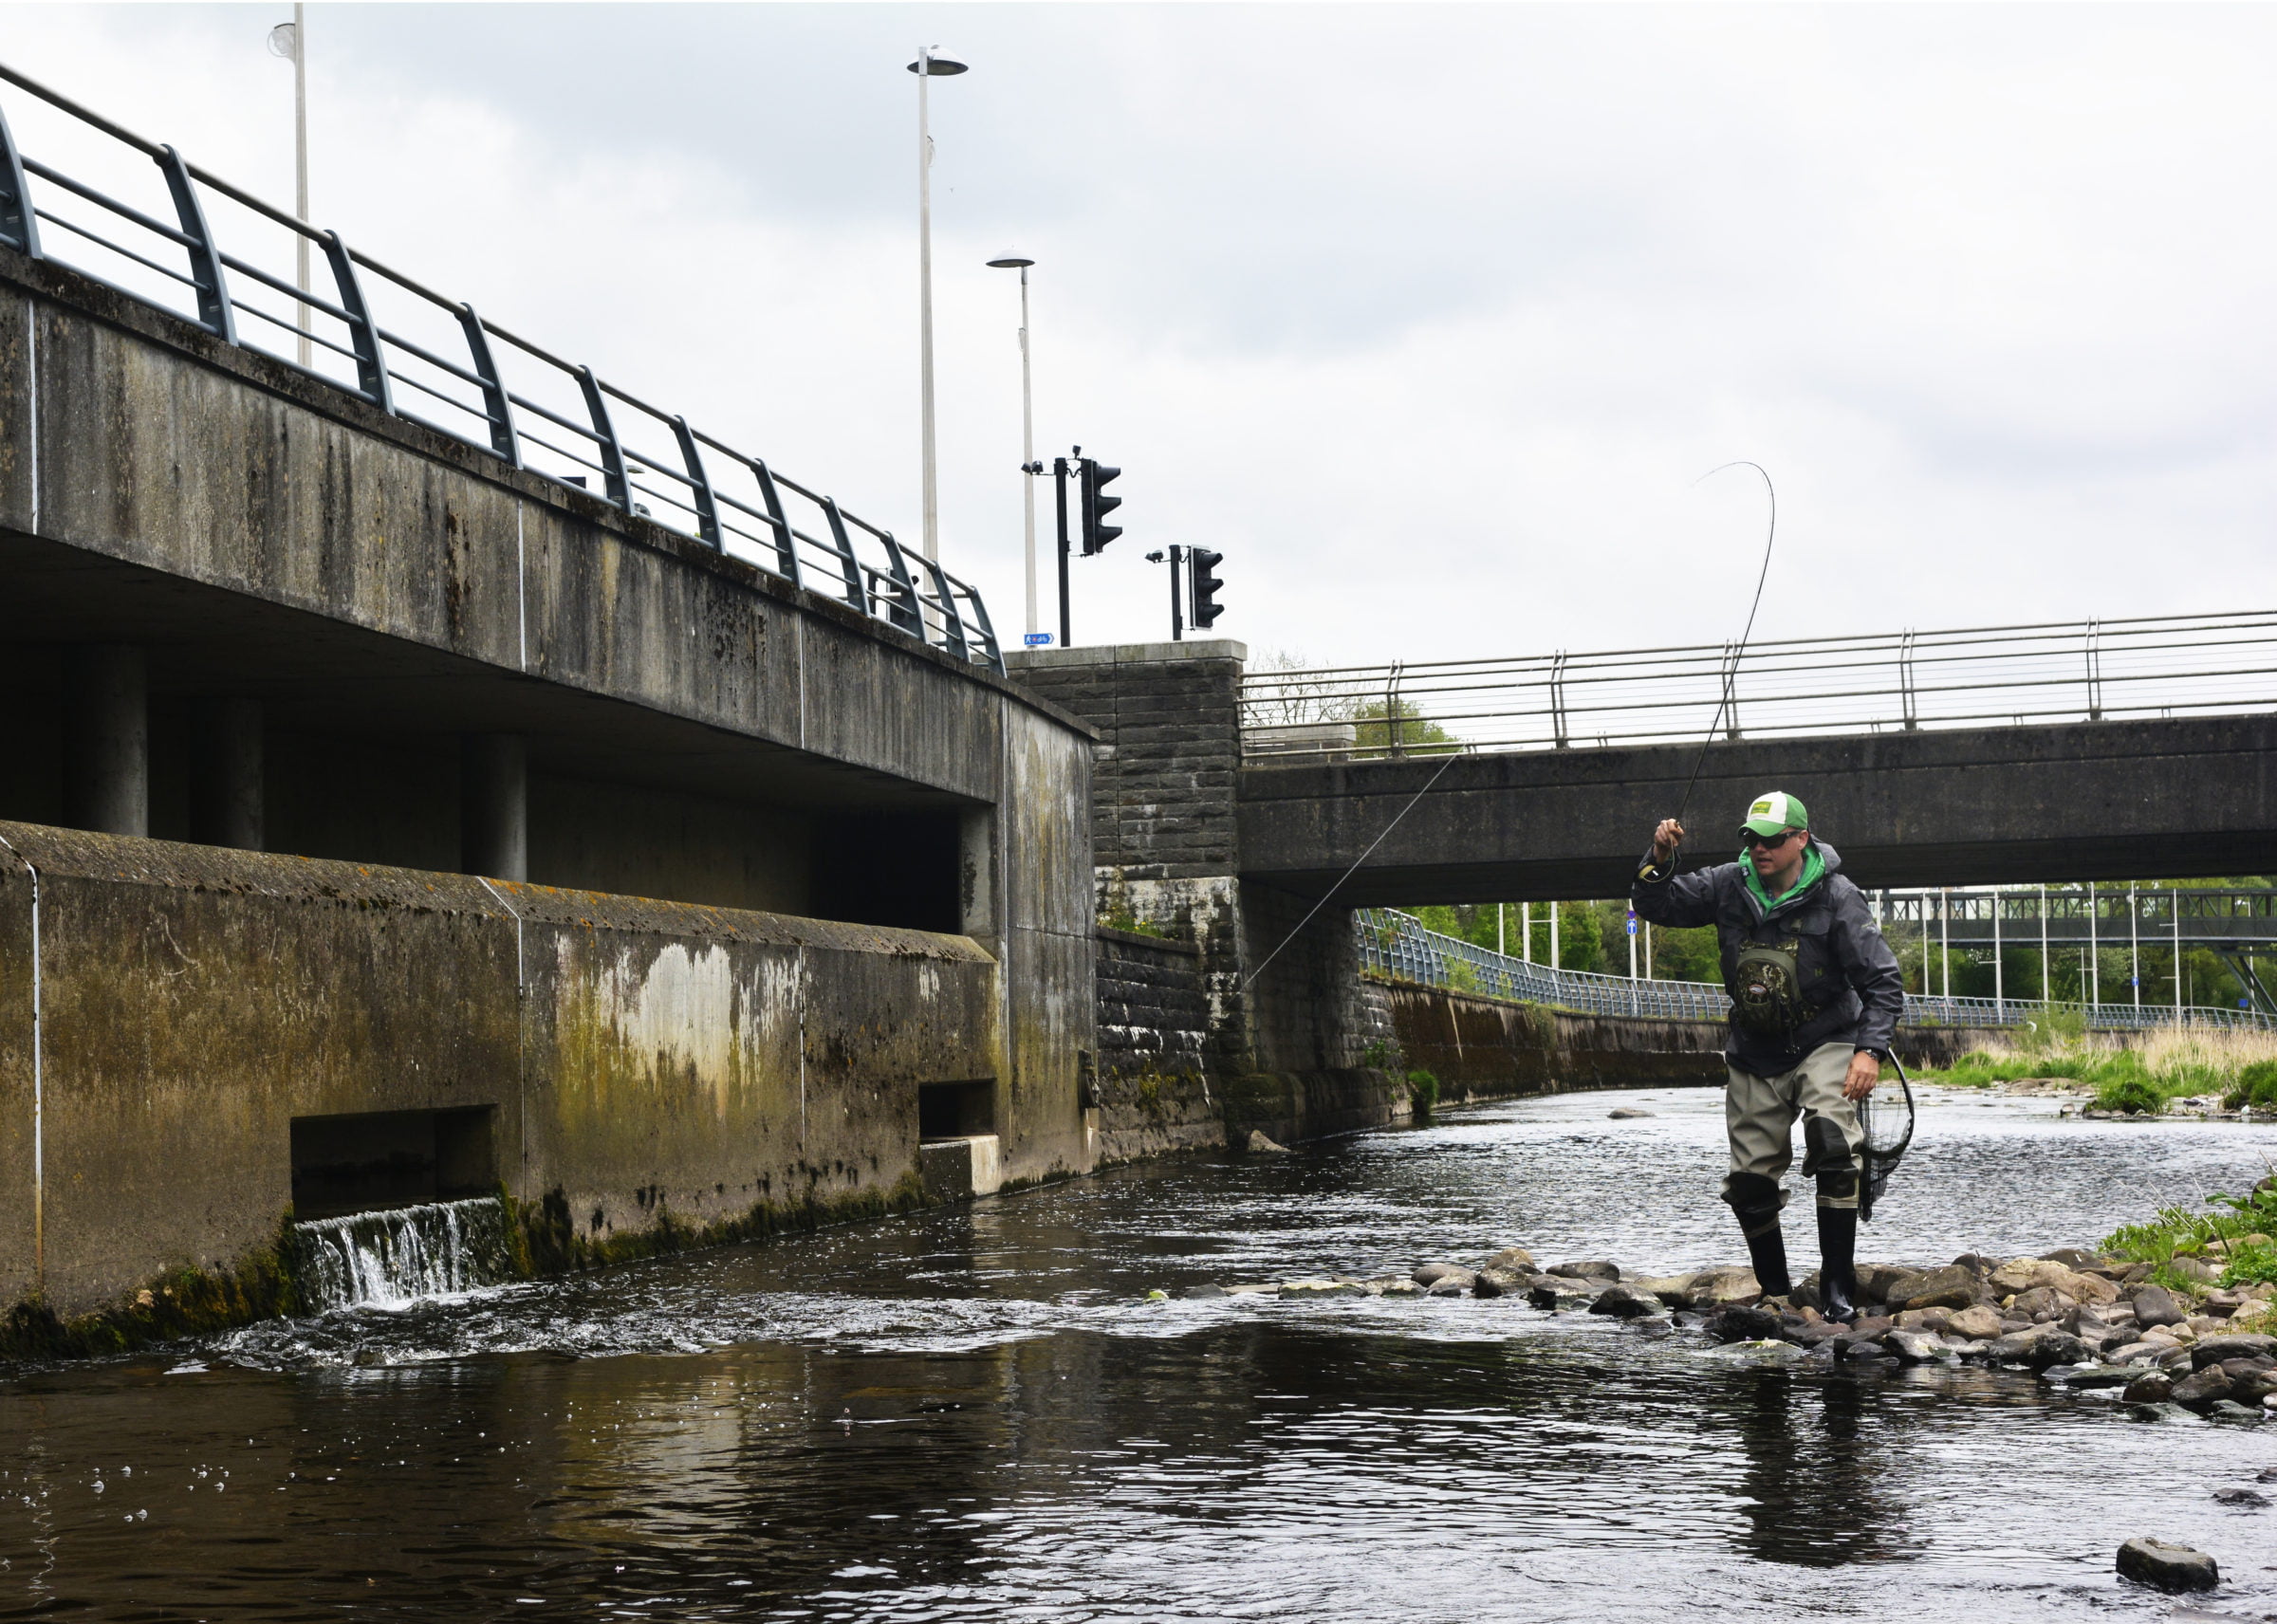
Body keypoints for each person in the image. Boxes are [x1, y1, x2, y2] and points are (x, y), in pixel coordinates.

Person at [1629, 790, 1902, 1321]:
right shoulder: (1726, 884)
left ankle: (1838, 1292)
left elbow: (1884, 982)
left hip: (1826, 1038)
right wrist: (1658, 859)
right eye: (1751, 840)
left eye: (1772, 841)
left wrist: (1870, 1051)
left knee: (1832, 1142)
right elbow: (1653, 904)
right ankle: (1777, 1295)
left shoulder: (1839, 896)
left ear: (1801, 839)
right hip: (1755, 1050)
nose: (1759, 850)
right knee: (1750, 1181)